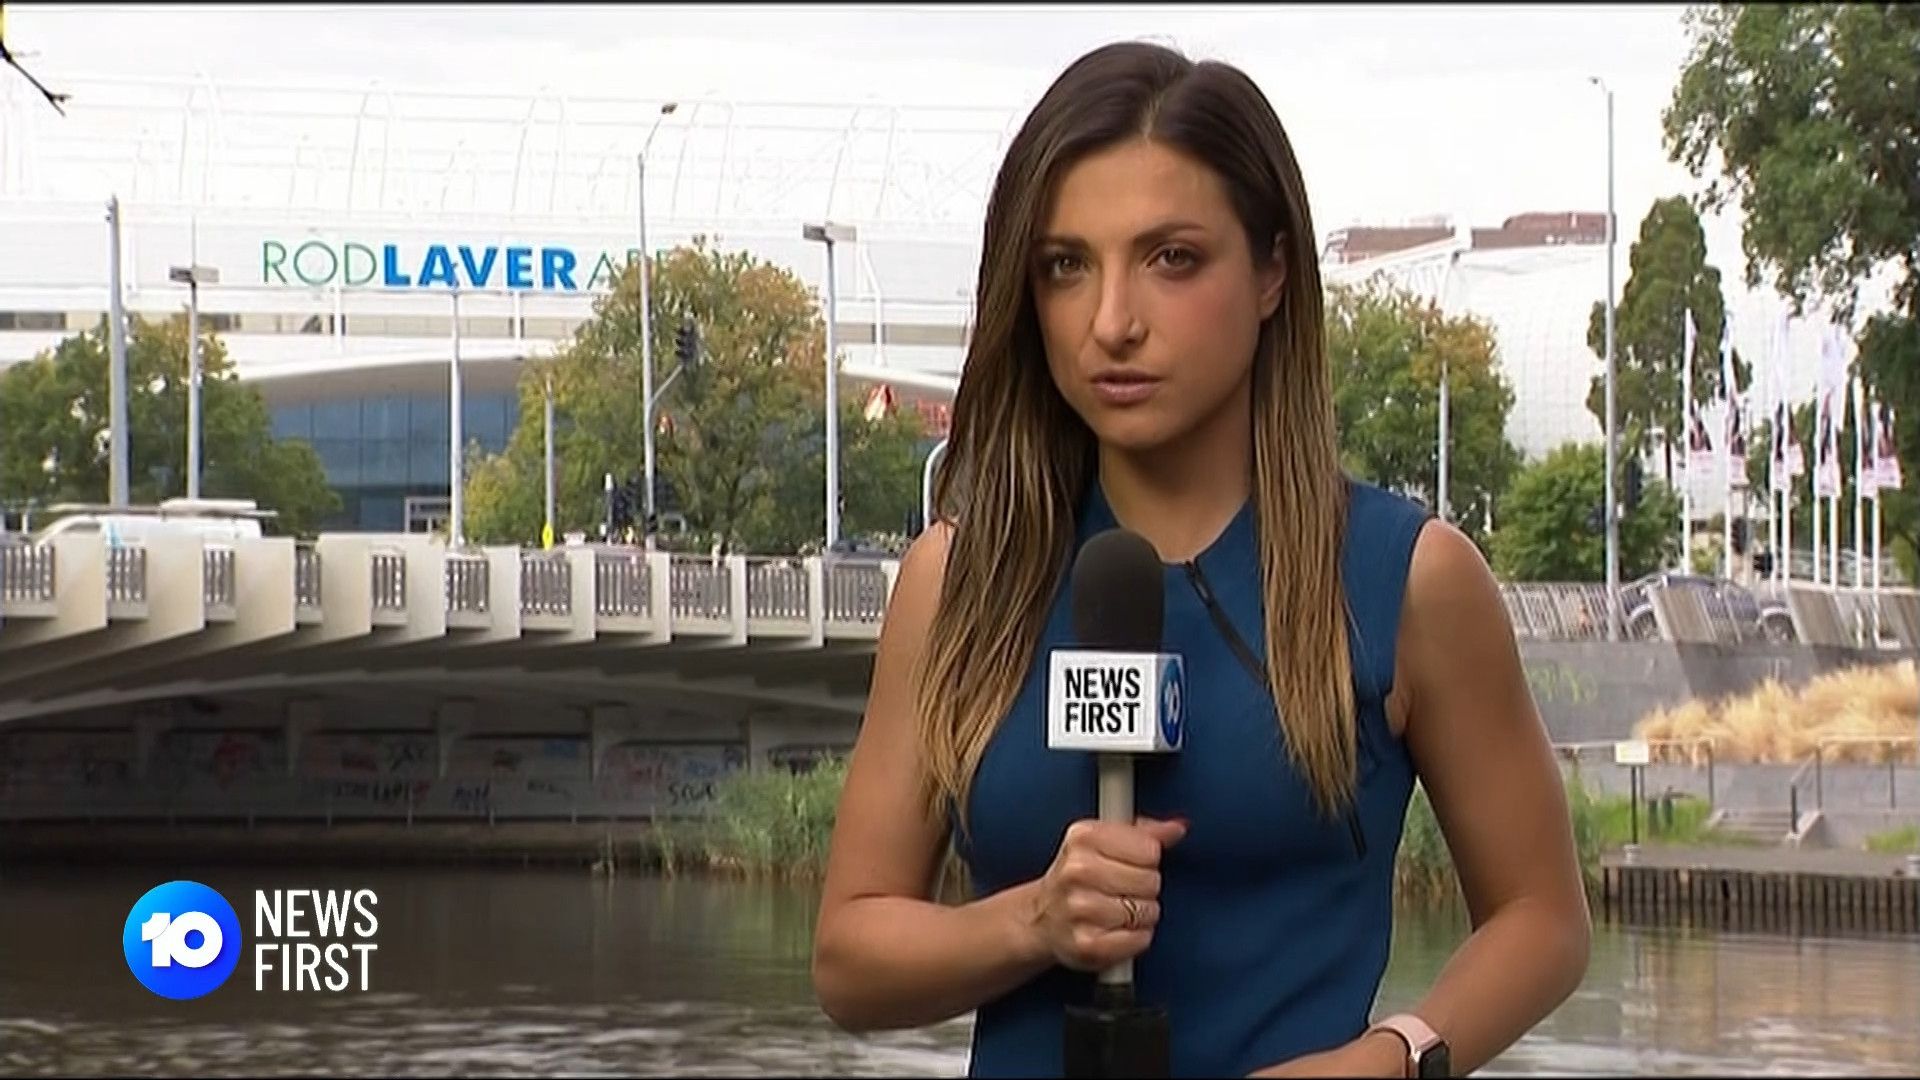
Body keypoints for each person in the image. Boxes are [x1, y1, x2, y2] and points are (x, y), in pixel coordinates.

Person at [811, 39, 1590, 1079]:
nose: (1112, 323)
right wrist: (1032, 921)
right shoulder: (959, 583)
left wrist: (1392, 1059)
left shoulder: (1408, 581)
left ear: (1272, 270)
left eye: (1171, 259)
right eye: (1066, 265)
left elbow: (1543, 918)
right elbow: (850, 960)